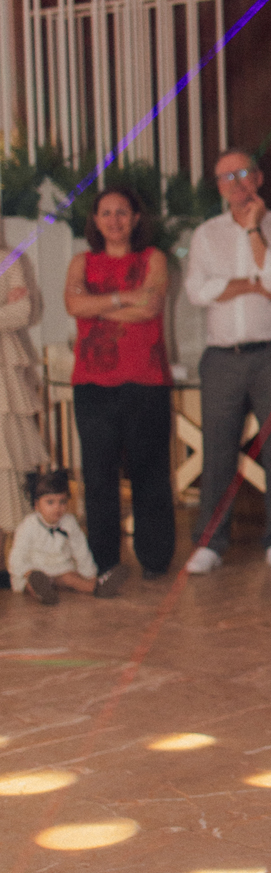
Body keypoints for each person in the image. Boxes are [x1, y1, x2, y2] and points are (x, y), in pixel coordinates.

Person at [183, 151, 271, 575]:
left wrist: (254, 230)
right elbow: (198, 291)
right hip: (221, 357)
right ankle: (211, 543)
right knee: (217, 452)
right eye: (224, 177)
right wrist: (248, 283)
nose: (235, 183)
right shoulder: (205, 235)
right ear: (217, 186)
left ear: (259, 178)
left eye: (242, 173)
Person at [64, 186, 176, 581]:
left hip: (146, 381)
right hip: (92, 385)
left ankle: (155, 559)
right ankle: (104, 561)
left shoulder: (154, 258)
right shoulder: (81, 262)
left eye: (122, 213)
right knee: (97, 476)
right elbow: (74, 305)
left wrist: (99, 305)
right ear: (95, 221)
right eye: (106, 213)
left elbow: (150, 308)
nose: (114, 220)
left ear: (136, 218)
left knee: (150, 472)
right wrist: (122, 299)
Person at [10, 467, 124, 604]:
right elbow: (17, 556)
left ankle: (98, 587)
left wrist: (90, 575)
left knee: (71, 578)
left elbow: (81, 550)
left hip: (59, 568)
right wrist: (26, 572)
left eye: (62, 502)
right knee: (31, 583)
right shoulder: (28, 525)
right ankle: (43, 592)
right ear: (37, 505)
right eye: (50, 502)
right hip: (35, 569)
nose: (57, 508)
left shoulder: (69, 522)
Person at [0, 244, 44, 580]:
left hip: (3, 372)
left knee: (7, 458)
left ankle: (11, 561)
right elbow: (10, 313)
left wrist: (13, 308)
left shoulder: (8, 258)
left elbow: (23, 312)